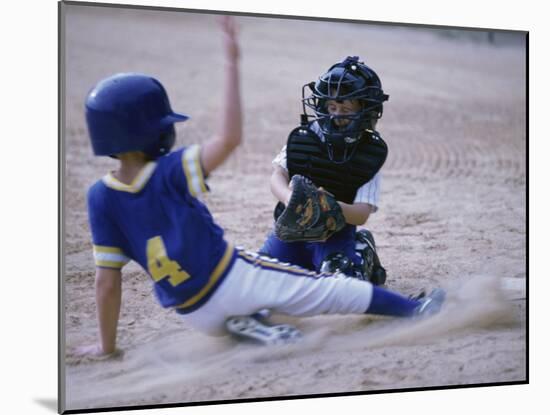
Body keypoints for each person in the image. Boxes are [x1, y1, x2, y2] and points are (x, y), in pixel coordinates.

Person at [75, 17, 444, 354]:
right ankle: (416, 309)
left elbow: (106, 283)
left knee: (296, 277)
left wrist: (106, 347)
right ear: (158, 130)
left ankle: (254, 324)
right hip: (233, 279)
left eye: (345, 107)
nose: (336, 114)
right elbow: (232, 139)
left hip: (193, 312)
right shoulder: (171, 171)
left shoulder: (99, 198)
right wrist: (232, 63)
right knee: (330, 290)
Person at [260, 56, 389, 285]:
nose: (336, 115)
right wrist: (293, 199)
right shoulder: (308, 135)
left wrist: (323, 205)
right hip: (292, 230)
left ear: (365, 111)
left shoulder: (369, 152)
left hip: (335, 235)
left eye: (346, 108)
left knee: (340, 285)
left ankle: (363, 251)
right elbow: (277, 176)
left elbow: (361, 213)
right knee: (261, 277)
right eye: (331, 106)